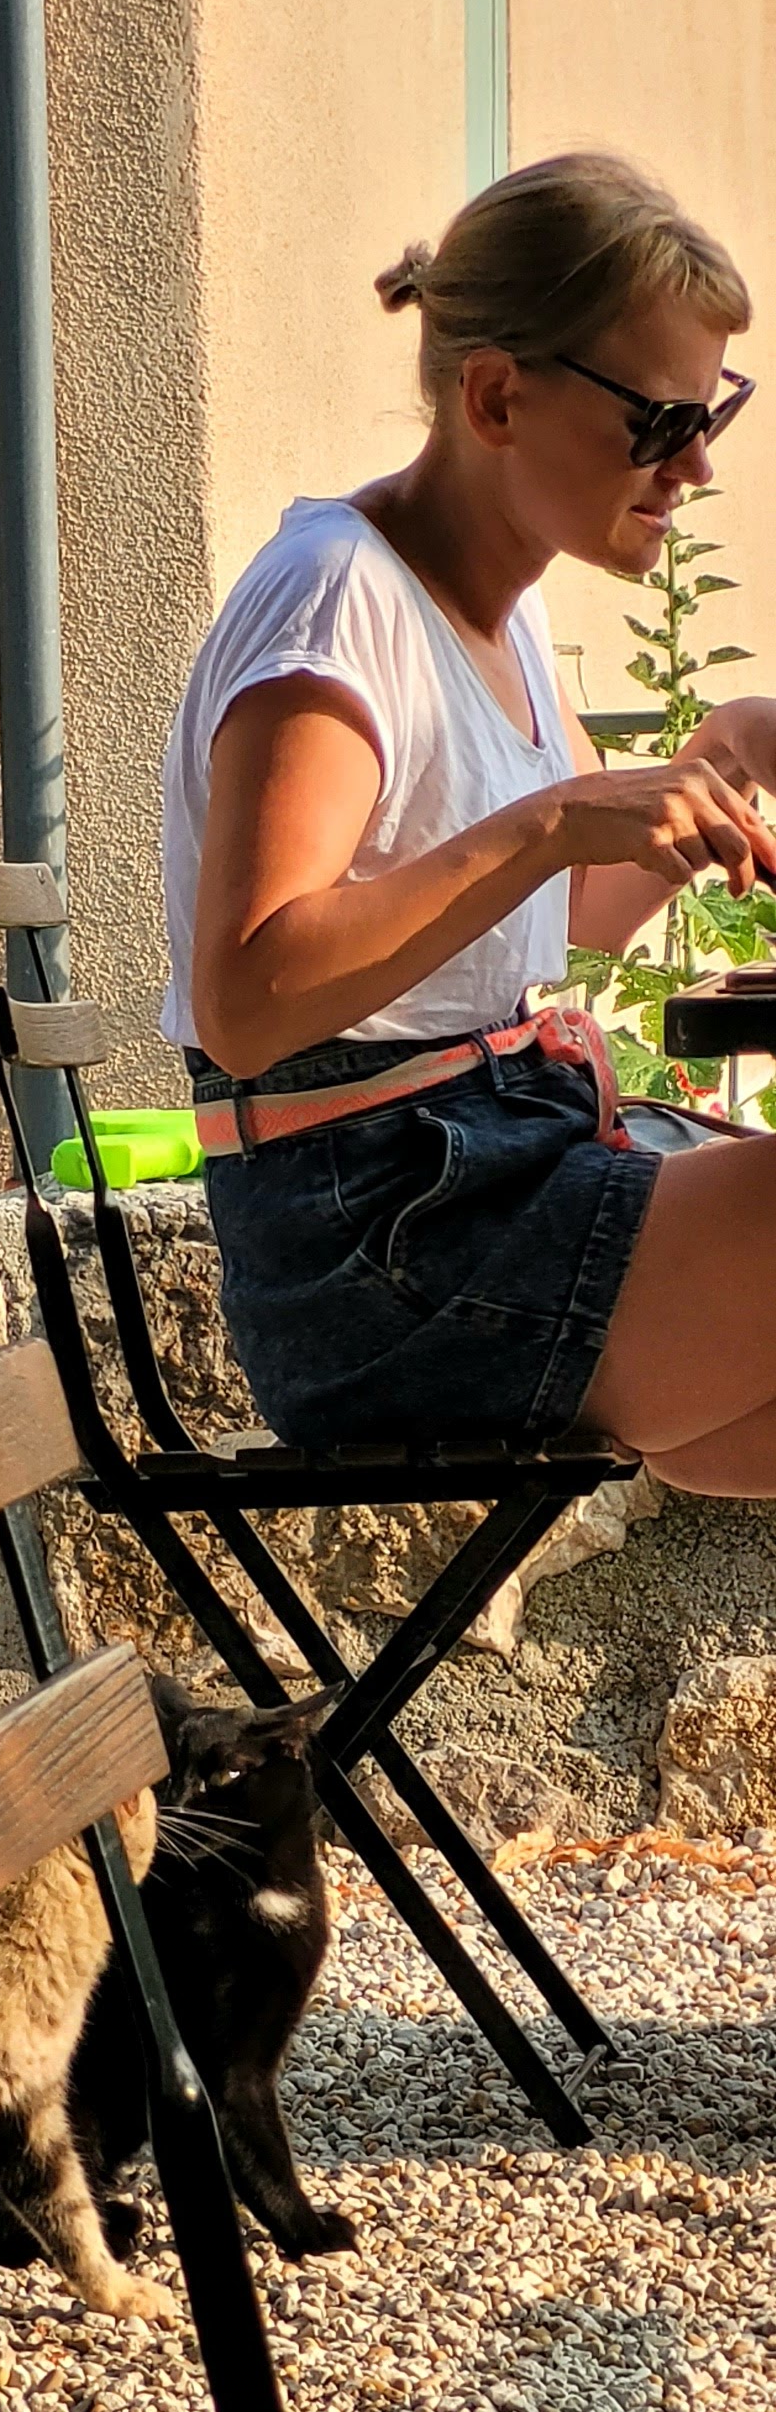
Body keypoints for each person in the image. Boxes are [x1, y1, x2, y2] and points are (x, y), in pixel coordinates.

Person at [161, 149, 776, 1491]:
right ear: (496, 396)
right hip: (383, 1246)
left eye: (713, 413)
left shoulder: (500, 611)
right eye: (663, 421)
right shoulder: (337, 602)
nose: (697, 466)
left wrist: (724, 749)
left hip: (481, 1177)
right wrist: (557, 818)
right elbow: (249, 1000)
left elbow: (555, 922)